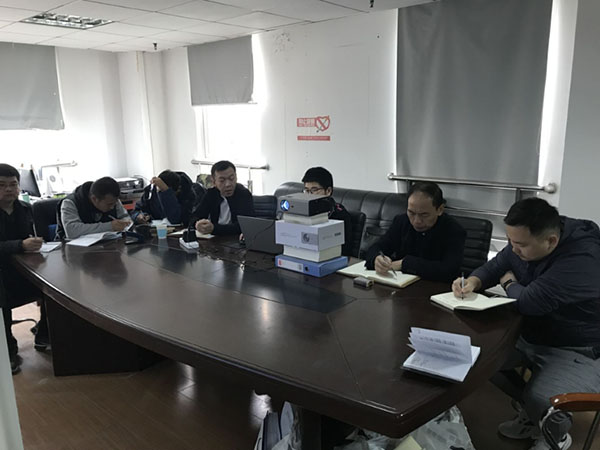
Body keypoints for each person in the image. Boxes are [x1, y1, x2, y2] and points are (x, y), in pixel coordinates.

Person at [453, 197, 600, 450]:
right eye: (510, 241)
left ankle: (554, 435)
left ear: (551, 241)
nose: (513, 249)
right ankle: (534, 414)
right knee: (479, 361)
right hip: (532, 332)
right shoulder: (527, 239)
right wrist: (474, 281)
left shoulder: (583, 259)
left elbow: (529, 302)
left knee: (545, 400)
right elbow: (497, 265)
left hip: (577, 347)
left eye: (520, 244)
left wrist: (509, 283)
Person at [365, 181, 465, 282]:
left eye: (424, 215)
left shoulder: (454, 230)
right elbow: (377, 247)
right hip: (399, 284)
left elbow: (449, 270)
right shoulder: (401, 221)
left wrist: (405, 263)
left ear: (440, 209)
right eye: (411, 213)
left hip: (434, 287)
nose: (417, 221)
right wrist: (377, 259)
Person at [0, 163, 48, 374]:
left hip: (22, 267)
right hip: (2, 273)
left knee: (53, 286)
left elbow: (29, 236)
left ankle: (45, 333)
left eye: (13, 184)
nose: (9, 189)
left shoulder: (25, 208)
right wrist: (20, 245)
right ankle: (7, 351)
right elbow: (19, 243)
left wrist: (34, 242)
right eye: (2, 185)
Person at [191, 161, 254, 236]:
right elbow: (195, 216)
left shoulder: (243, 194)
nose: (228, 184)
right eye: (222, 180)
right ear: (214, 182)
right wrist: (197, 224)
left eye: (231, 178)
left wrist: (214, 228)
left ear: (236, 177)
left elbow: (244, 226)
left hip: (234, 239)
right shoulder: (211, 194)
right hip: (214, 238)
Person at [56, 176, 131, 240]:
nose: (112, 207)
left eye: (115, 203)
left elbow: (126, 219)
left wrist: (125, 223)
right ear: (94, 199)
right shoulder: (70, 202)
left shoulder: (112, 200)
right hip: (72, 248)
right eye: (109, 204)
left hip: (107, 245)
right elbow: (72, 231)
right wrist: (110, 226)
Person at [301, 167, 353, 256]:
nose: (309, 195)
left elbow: (344, 250)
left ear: (328, 191)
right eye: (306, 190)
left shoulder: (339, 215)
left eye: (314, 190)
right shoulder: (303, 211)